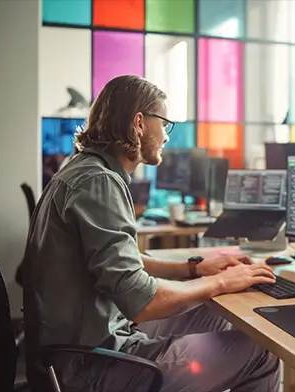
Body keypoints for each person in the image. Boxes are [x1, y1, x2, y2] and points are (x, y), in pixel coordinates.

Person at [22, 75, 281, 392]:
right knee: (264, 352)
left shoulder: (85, 169)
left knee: (215, 315)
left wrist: (194, 269)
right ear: (139, 122)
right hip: (91, 367)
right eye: (165, 123)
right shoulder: (98, 182)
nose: (167, 136)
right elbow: (143, 301)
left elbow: (125, 261)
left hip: (84, 346)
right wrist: (221, 281)